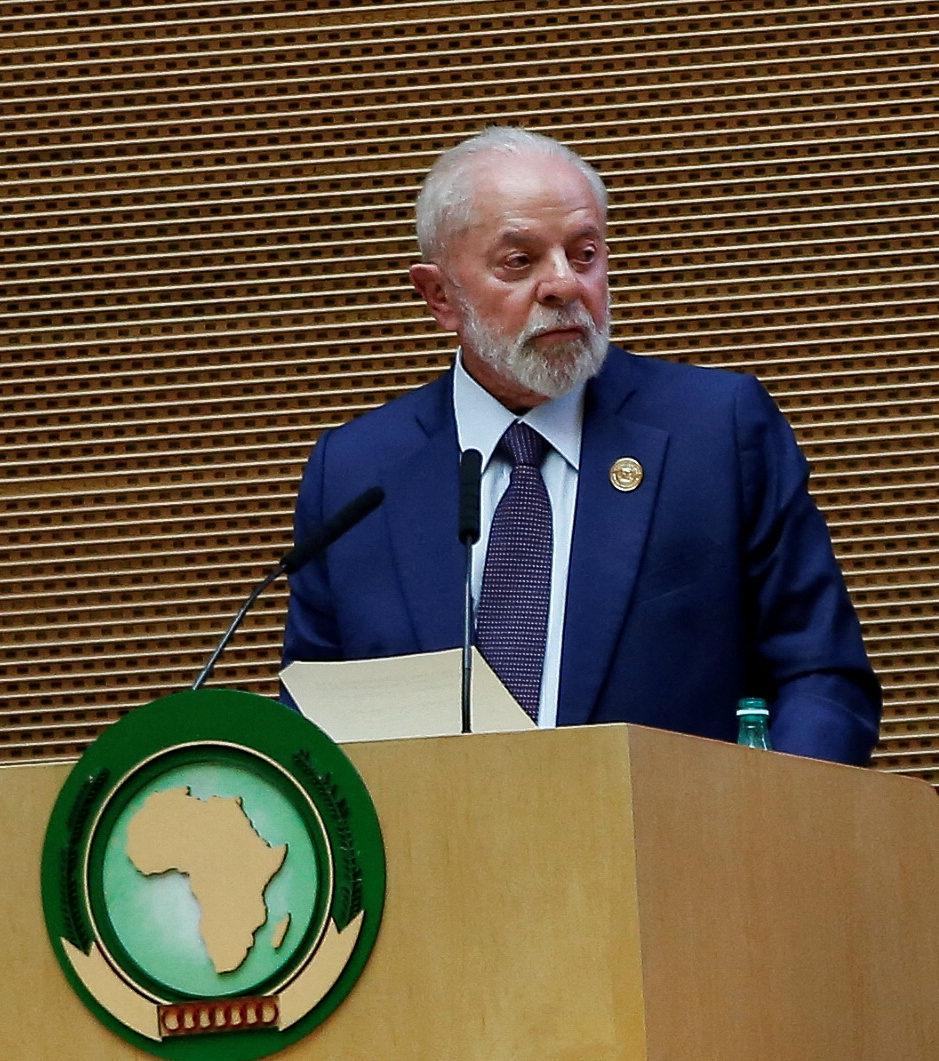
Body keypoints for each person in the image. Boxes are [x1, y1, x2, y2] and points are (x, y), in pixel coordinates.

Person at [281, 126, 880, 765]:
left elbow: (822, 678)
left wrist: (768, 835)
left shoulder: (717, 432)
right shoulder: (356, 473)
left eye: (584, 253)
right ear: (441, 296)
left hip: (673, 852)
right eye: (520, 261)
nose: (564, 284)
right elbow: (316, 717)